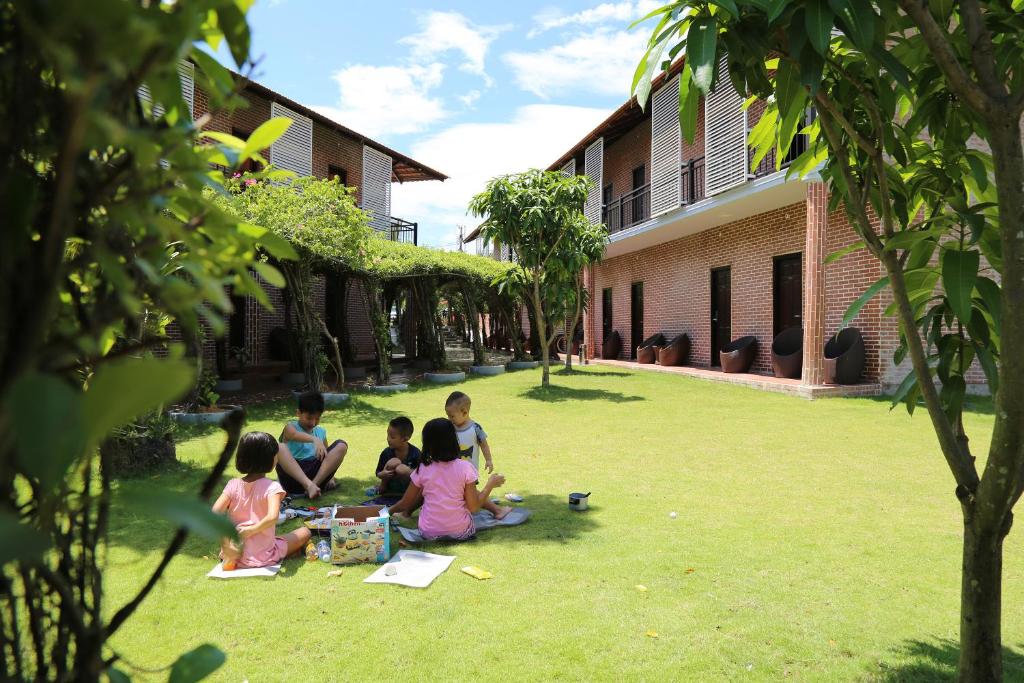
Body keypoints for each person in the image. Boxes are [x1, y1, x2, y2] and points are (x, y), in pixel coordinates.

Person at [390, 418, 505, 541]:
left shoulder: (423, 468)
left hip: (428, 532)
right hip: (460, 531)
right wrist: (490, 485)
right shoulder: (466, 467)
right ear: (454, 440)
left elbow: (405, 503)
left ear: (427, 443)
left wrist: (386, 511)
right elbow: (473, 507)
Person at [212, 432, 311, 569]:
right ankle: (289, 551)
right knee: (305, 532)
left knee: (280, 538)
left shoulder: (233, 484)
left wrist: (226, 545)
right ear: (270, 459)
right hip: (264, 555)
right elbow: (272, 517)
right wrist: (251, 531)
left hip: (233, 554)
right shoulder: (272, 487)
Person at [445, 391, 512, 519]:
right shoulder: (450, 428)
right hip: (454, 470)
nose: (449, 419)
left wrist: (489, 460)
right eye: (448, 416)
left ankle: (497, 511)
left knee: (471, 493)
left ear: (464, 412)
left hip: (469, 471)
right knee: (464, 493)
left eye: (452, 416)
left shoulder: (475, 428)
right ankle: (493, 510)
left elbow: (484, 445)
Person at [276, 390, 348, 498]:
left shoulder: (321, 432)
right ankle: (309, 486)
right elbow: (294, 435)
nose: (313, 423)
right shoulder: (290, 428)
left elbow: (328, 458)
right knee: (280, 447)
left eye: (317, 419)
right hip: (292, 477)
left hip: (315, 476)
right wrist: (315, 440)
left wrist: (331, 478)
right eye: (309, 418)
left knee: (341, 445)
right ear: (298, 413)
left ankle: (313, 486)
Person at [373, 416, 422, 497]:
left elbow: (421, 477)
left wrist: (407, 472)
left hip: (408, 495)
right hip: (388, 494)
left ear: (405, 439)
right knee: (380, 510)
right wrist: (382, 474)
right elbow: (379, 472)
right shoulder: (386, 453)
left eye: (392, 437)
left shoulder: (416, 454)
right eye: (388, 435)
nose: (388, 439)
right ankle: (381, 492)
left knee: (400, 467)